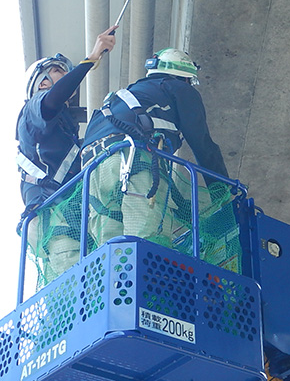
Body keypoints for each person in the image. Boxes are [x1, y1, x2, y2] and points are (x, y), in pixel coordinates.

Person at [80, 47, 228, 248]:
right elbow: (203, 145)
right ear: (184, 77)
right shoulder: (177, 88)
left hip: (94, 171)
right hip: (132, 157)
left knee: (110, 245)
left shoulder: (123, 98)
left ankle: (118, 278)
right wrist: (224, 195)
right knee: (146, 236)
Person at [16, 26, 116, 276]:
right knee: (75, 293)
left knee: (93, 285)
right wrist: (91, 58)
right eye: (59, 70)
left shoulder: (65, 133)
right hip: (53, 220)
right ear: (42, 82)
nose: (66, 76)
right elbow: (53, 100)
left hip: (68, 217)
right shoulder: (34, 109)